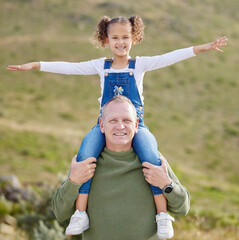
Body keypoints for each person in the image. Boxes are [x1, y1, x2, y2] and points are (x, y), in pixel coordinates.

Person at [7, 15, 227, 239]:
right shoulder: (99, 66)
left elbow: (169, 57)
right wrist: (36, 65)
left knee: (151, 156)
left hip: (137, 127)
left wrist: (203, 48)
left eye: (125, 37)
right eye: (115, 37)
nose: (120, 42)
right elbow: (69, 67)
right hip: (102, 125)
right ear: (106, 39)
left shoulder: (140, 64)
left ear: (134, 38)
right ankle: (81, 213)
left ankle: (162, 215)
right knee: (84, 154)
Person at [52, 95, 190, 240]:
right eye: (113, 120)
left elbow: (183, 208)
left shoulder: (153, 160)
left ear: (136, 125)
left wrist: (166, 185)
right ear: (102, 124)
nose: (120, 126)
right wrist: (73, 181)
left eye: (127, 120)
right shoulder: (85, 162)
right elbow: (60, 212)